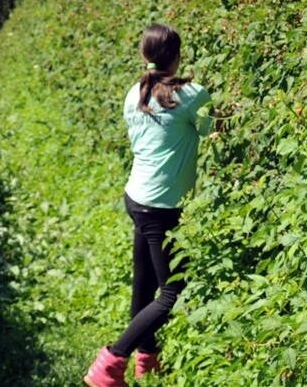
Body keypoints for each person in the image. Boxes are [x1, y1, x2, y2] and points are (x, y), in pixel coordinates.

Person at [85, 24, 212, 387]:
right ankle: (109, 364)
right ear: (177, 55)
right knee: (172, 291)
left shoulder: (133, 94)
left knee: (143, 285)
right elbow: (209, 125)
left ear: (144, 55)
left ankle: (147, 361)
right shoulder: (190, 94)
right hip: (161, 207)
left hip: (136, 199)